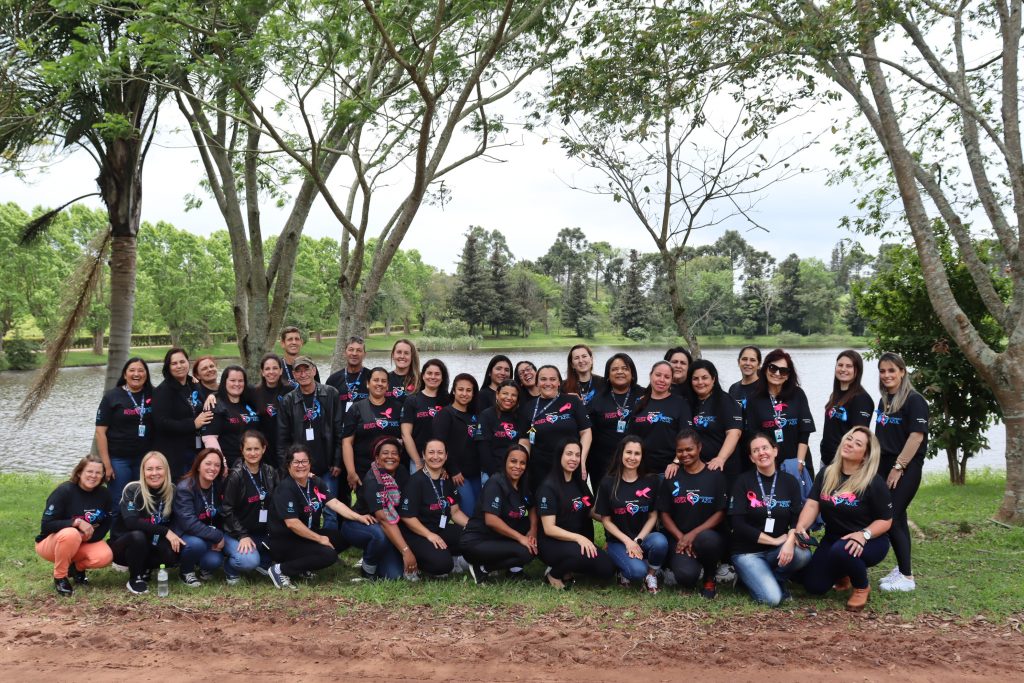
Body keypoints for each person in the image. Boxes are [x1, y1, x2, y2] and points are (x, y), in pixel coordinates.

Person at [796, 426, 893, 611]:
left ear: (865, 455)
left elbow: (886, 520)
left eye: (857, 443)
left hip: (870, 540)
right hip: (833, 539)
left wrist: (863, 534)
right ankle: (844, 572)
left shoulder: (873, 482)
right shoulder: (827, 473)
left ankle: (861, 586)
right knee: (814, 586)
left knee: (842, 550)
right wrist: (801, 526)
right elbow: (812, 505)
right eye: (849, 439)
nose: (849, 444)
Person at [266, 445, 373, 589]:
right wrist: (320, 538)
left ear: (310, 463)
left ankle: (303, 567)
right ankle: (281, 570)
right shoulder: (285, 488)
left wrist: (358, 517)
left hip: (306, 536)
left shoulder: (315, 482)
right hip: (285, 541)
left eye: (304, 461)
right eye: (296, 462)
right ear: (288, 465)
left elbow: (334, 503)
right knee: (329, 555)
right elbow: (292, 523)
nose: (301, 466)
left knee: (346, 536)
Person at [729, 433, 811, 606]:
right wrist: (774, 541)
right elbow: (738, 524)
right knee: (772, 599)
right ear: (751, 458)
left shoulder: (790, 482)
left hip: (776, 551)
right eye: (755, 450)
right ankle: (748, 577)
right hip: (748, 552)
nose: (761, 453)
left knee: (802, 554)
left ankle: (776, 578)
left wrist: (789, 541)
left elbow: (796, 519)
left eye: (765, 448)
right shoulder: (742, 481)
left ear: (775, 451)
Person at [874, 352, 928, 593]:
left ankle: (907, 577)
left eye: (891, 370)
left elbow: (916, 437)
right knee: (899, 517)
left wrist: (899, 467)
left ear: (902, 372)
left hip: (906, 467)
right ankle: (902, 568)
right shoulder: (884, 401)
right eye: (882, 371)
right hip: (884, 464)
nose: (886, 375)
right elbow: (880, 436)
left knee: (892, 517)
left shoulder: (915, 401)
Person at [657, 430, 728, 598]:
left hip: (707, 536)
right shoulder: (672, 476)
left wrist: (693, 535)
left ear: (699, 448)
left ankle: (710, 577)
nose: (684, 454)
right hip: (679, 538)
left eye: (689, 449)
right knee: (686, 577)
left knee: (708, 540)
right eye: (680, 450)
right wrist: (682, 537)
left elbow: (721, 512)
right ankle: (691, 567)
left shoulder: (715, 475)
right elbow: (664, 513)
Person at [537, 439, 615, 589]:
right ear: (560, 455)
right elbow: (549, 528)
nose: (574, 458)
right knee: (579, 554)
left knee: (607, 569)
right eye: (569, 454)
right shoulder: (548, 487)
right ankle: (553, 574)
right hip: (550, 542)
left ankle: (568, 567)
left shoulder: (579, 482)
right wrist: (579, 538)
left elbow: (591, 510)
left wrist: (614, 519)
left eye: (577, 455)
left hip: (574, 543)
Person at [173, 447, 257, 586]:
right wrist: (216, 536)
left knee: (244, 560)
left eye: (217, 465)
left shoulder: (219, 485)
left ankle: (224, 567)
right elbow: (188, 523)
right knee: (198, 546)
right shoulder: (185, 488)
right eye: (208, 463)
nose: (212, 468)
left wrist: (240, 535)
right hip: (191, 535)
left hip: (214, 533)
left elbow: (227, 511)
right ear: (198, 465)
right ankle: (186, 571)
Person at [277, 355, 344, 528]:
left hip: (327, 466)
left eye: (306, 369)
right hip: (300, 467)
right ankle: (308, 540)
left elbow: (339, 430)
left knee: (330, 511)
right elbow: (282, 438)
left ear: (314, 370)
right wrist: (288, 467)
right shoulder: (288, 400)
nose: (303, 374)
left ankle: (330, 541)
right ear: (294, 375)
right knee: (303, 510)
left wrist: (337, 461)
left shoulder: (330, 393)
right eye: (298, 371)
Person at [595, 436, 667, 594]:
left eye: (637, 453)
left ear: (642, 457)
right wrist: (628, 542)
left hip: (642, 538)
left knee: (660, 541)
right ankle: (622, 568)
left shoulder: (651, 481)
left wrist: (637, 540)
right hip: (618, 542)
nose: (632, 457)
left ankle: (651, 575)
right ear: (621, 453)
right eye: (628, 452)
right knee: (637, 572)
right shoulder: (608, 483)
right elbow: (606, 521)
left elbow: (653, 516)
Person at [35, 454, 114, 596]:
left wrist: (86, 537)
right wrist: (75, 522)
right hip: (51, 543)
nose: (93, 476)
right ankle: (60, 577)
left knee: (105, 556)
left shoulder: (104, 494)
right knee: (71, 534)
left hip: (81, 541)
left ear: (103, 475)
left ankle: (77, 569)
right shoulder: (64, 491)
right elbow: (46, 525)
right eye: (89, 471)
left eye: (98, 473)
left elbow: (106, 523)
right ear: (79, 472)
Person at [109, 451, 185, 594]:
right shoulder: (132, 489)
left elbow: (177, 519)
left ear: (166, 470)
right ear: (143, 472)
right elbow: (131, 522)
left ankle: (145, 568)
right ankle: (135, 578)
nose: (154, 473)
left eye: (159, 468)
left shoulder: (172, 490)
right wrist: (166, 532)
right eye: (149, 469)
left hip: (152, 540)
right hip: (124, 544)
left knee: (172, 553)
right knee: (138, 536)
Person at [461, 445, 539, 583]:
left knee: (534, 538)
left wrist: (533, 530)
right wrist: (521, 538)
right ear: (505, 462)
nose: (518, 466)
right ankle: (482, 568)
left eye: (522, 463)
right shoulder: (495, 483)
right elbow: (491, 520)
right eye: (513, 461)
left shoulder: (523, 483)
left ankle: (514, 571)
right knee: (526, 552)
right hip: (476, 541)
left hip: (497, 537)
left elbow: (532, 506)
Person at [399, 438, 471, 577]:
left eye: (440, 452)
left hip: (439, 529)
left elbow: (455, 512)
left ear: (446, 456)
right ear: (424, 455)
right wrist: (429, 535)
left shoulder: (446, 479)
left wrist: (473, 526)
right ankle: (416, 563)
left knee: (471, 536)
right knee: (443, 565)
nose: (436, 456)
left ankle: (450, 557)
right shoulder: (415, 481)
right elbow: (407, 517)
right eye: (431, 452)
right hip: (418, 534)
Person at [95, 356, 155, 518]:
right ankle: (117, 534)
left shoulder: (154, 393)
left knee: (144, 502)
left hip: (145, 459)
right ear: (124, 374)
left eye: (141, 370)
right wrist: (107, 464)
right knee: (119, 502)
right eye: (132, 370)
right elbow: (100, 432)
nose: (136, 374)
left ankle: (140, 533)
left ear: (146, 374)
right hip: (119, 460)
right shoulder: (112, 396)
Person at [517, 365, 593, 492]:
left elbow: (586, 432)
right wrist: (522, 463)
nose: (548, 383)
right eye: (543, 379)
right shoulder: (528, 408)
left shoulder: (573, 401)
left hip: (570, 466)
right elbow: (524, 441)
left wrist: (581, 460)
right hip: (540, 468)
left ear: (559, 382)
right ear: (537, 383)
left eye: (552, 379)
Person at [745, 349, 815, 477]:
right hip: (768, 466)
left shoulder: (798, 394)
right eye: (773, 368)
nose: (777, 373)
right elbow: (754, 436)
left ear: (788, 375)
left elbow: (804, 432)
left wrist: (799, 463)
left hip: (797, 463)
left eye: (783, 371)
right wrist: (766, 465)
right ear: (765, 369)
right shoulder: (754, 399)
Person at [346, 438, 407, 580]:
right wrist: (406, 551)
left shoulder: (402, 472)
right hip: (359, 524)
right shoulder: (373, 480)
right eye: (385, 453)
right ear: (377, 458)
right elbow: (383, 519)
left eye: (394, 453)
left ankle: (380, 555)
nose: (390, 456)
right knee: (379, 535)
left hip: (389, 526)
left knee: (394, 575)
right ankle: (368, 567)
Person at [221, 431, 280, 579]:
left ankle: (263, 560)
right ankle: (229, 567)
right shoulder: (235, 476)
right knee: (249, 561)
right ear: (242, 450)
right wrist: (242, 535)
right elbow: (227, 510)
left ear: (264, 449)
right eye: (248, 449)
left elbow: (281, 497)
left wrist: (306, 477)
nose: (253, 453)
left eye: (256, 449)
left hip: (262, 532)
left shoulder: (270, 472)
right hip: (237, 533)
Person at [152, 347, 211, 479]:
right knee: (182, 487)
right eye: (174, 363)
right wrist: (193, 424)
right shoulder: (163, 391)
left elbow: (203, 404)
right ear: (168, 367)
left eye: (182, 362)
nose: (179, 366)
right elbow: (161, 423)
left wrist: (212, 396)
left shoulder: (193, 384)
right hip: (176, 453)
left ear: (188, 362)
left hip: (196, 448)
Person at [342, 366, 403, 493]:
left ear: (388, 385)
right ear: (368, 384)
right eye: (376, 380)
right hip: (364, 470)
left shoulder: (398, 408)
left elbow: (404, 437)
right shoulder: (356, 408)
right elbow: (347, 442)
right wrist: (351, 472)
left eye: (383, 381)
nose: (379, 384)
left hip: (393, 470)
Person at [587, 353, 642, 486]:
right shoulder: (597, 400)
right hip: (603, 465)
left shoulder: (644, 396)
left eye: (624, 368)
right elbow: (587, 432)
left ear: (632, 373)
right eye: (614, 369)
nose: (620, 372)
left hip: (637, 462)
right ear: (608, 375)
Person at [628, 361, 692, 476]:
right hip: (641, 470)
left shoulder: (680, 403)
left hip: (670, 471)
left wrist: (676, 462)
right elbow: (630, 438)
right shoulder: (639, 402)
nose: (662, 380)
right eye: (658, 375)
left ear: (671, 380)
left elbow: (687, 438)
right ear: (650, 375)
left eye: (667, 377)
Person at [432, 373, 481, 516]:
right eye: (460, 389)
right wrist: (452, 469)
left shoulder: (475, 415)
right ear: (453, 391)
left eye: (468, 390)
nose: (464, 393)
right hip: (457, 474)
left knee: (479, 511)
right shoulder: (445, 414)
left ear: (473, 393)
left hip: (475, 472)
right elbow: (440, 444)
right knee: (468, 509)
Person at [689, 359, 743, 484]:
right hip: (697, 469)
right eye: (695, 378)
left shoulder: (725, 401)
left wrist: (720, 458)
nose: (700, 382)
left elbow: (734, 433)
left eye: (705, 378)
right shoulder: (689, 403)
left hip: (723, 468)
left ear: (713, 379)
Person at [821, 350, 874, 468]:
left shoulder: (862, 399)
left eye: (849, 366)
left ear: (857, 370)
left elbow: (860, 437)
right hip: (826, 461)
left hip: (844, 464)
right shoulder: (835, 395)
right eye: (840, 365)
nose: (843, 369)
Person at [202, 365, 262, 468]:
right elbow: (209, 438)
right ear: (224, 382)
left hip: (254, 462)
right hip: (230, 465)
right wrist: (222, 463)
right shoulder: (215, 405)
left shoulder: (250, 401)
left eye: (240, 381)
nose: (237, 384)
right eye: (232, 380)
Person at [401, 358, 451, 472]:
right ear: (423, 376)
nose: (433, 377)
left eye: (437, 374)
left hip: (443, 461)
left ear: (443, 377)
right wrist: (418, 462)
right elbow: (405, 434)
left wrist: (447, 464)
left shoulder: (449, 401)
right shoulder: (412, 400)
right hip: (419, 460)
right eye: (429, 373)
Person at [475, 379, 521, 484]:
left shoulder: (520, 417)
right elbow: (483, 449)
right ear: (497, 394)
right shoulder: (486, 415)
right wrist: (496, 476)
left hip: (516, 473)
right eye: (505, 393)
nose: (509, 398)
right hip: (491, 474)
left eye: (513, 395)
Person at [254, 353, 290, 465]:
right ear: (262, 372)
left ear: (281, 371)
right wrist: (213, 395)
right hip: (265, 448)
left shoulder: (290, 391)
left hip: (287, 445)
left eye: (275, 368)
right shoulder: (254, 392)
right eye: (267, 369)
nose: (271, 372)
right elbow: (231, 393)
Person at [325, 335, 369, 411]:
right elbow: (328, 408)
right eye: (351, 350)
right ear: (345, 353)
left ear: (364, 354)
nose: (354, 353)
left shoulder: (372, 377)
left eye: (359, 350)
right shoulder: (333, 380)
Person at [727, 345, 761, 411]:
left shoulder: (764, 387)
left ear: (759, 365)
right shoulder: (733, 388)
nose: (748, 363)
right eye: (744, 359)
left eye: (752, 360)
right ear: (738, 362)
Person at [387, 338, 421, 403]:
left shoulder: (421, 379)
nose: (402, 356)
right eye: (399, 352)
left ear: (412, 357)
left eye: (406, 353)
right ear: (393, 355)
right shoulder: (385, 378)